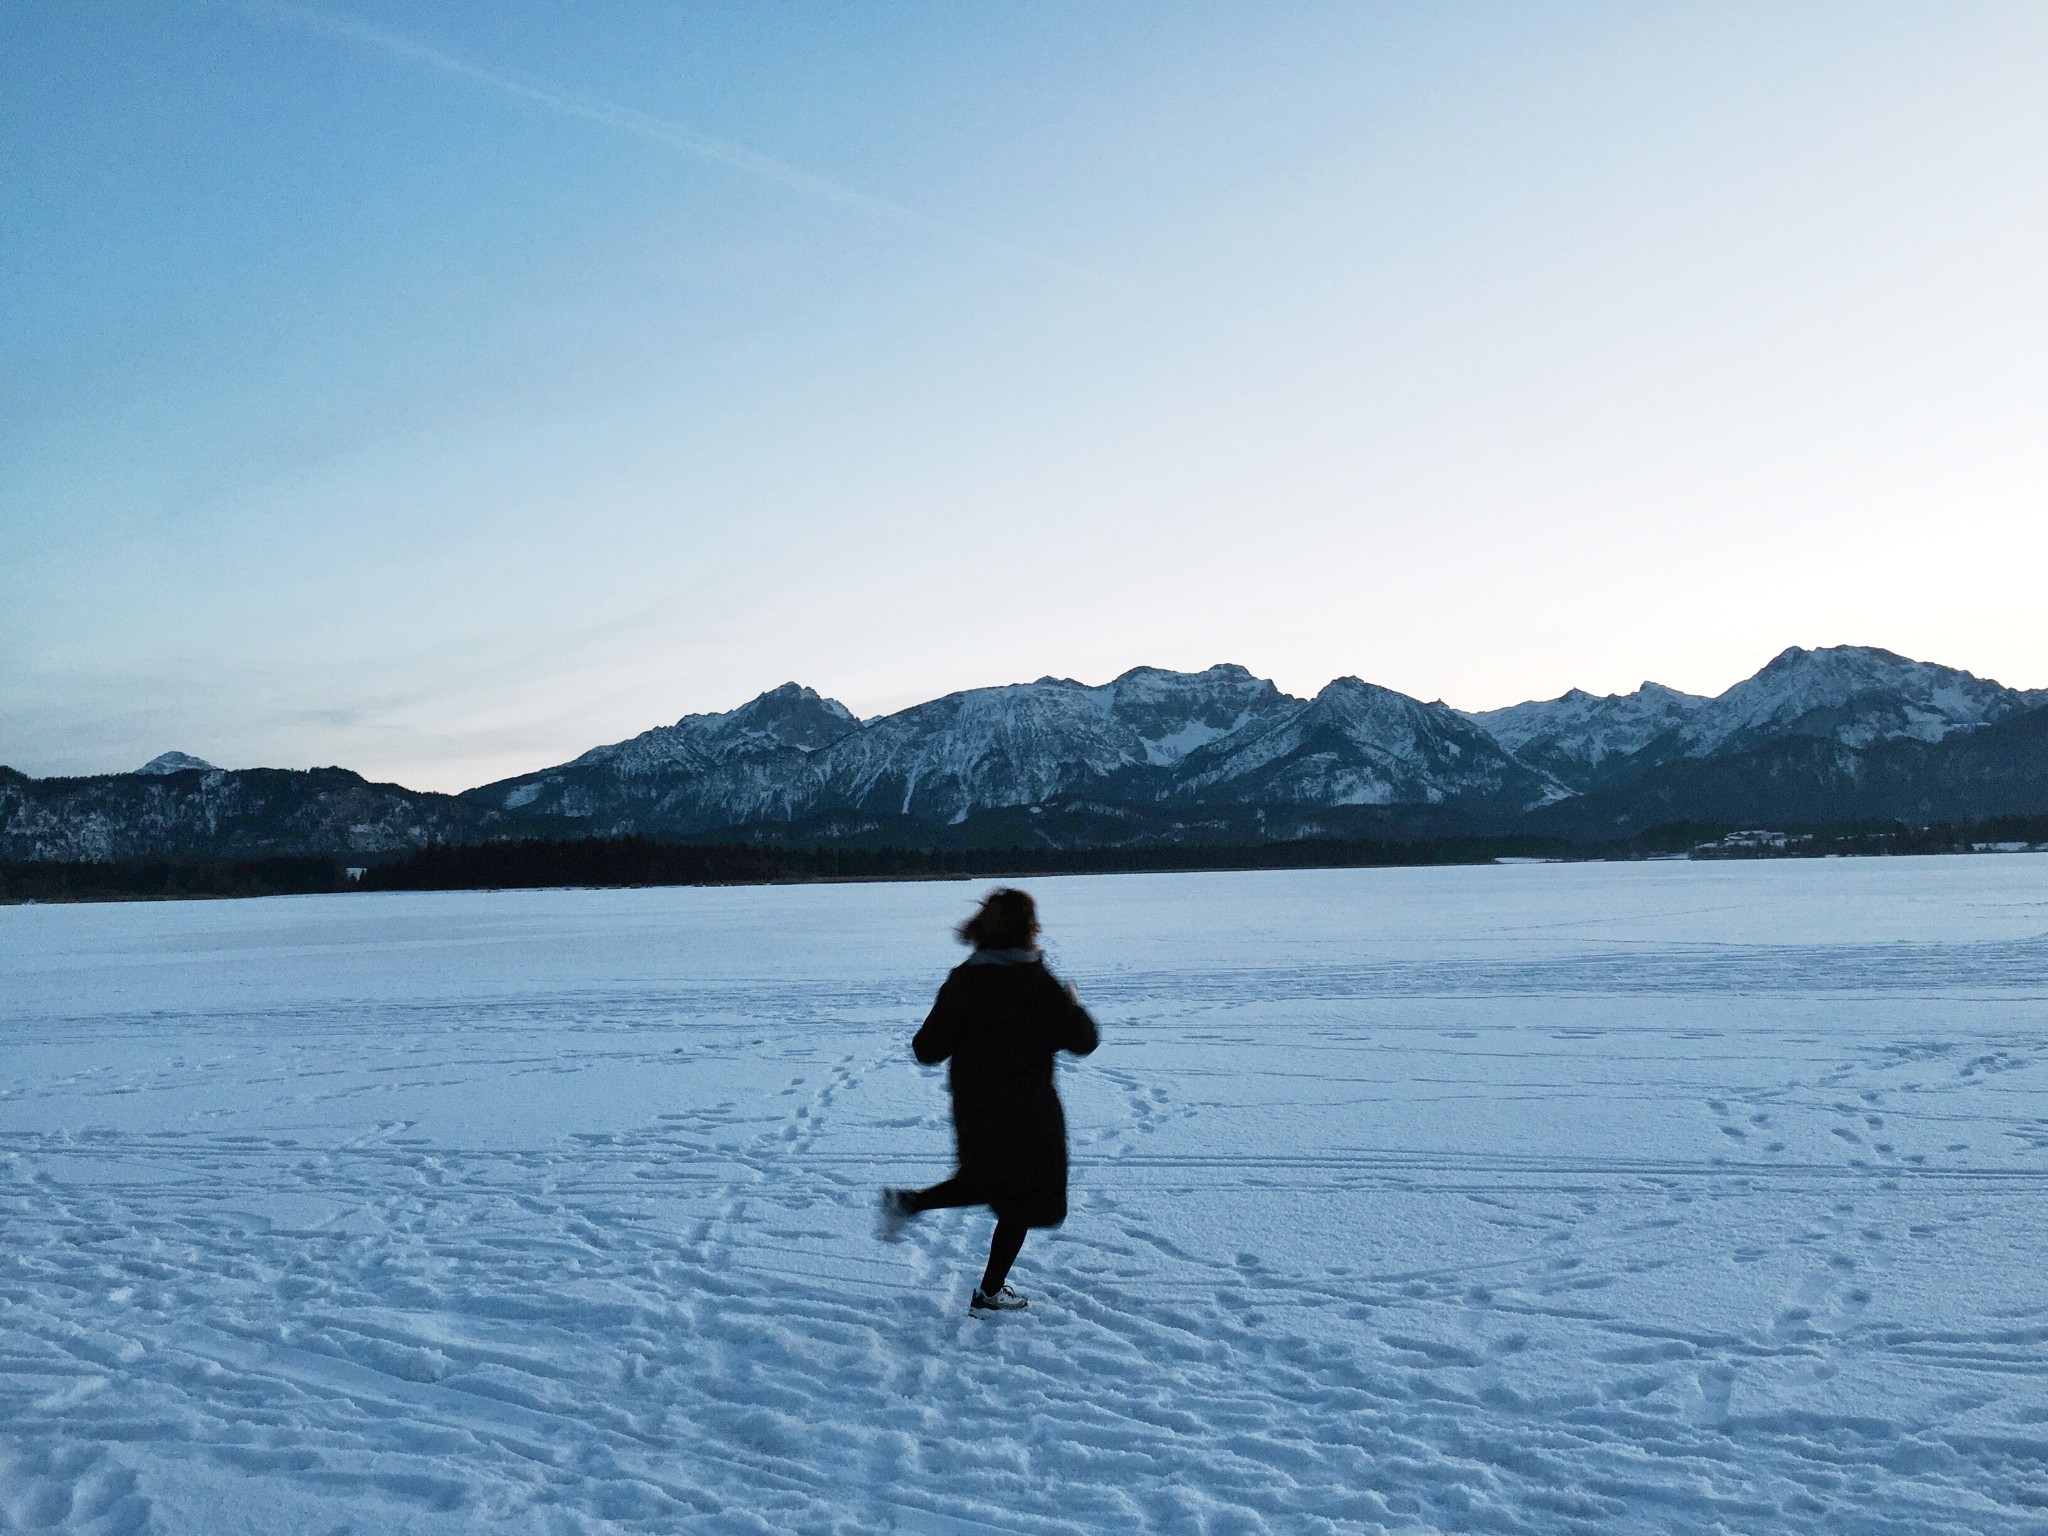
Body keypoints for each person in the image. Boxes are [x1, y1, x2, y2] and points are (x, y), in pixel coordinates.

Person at [878, 887, 1099, 1314]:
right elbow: (1085, 1041)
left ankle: (911, 1204)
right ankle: (989, 1292)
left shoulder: (964, 981)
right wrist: (1072, 1004)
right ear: (1028, 930)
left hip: (975, 1110)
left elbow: (926, 1049)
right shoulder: (1039, 983)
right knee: (1023, 1196)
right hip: (1030, 1113)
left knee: (985, 1180)